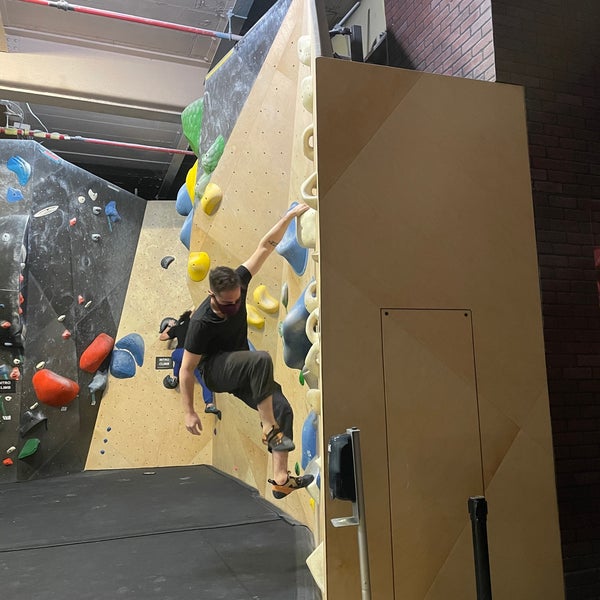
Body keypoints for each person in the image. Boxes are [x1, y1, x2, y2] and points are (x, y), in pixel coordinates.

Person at [180, 203, 314, 499]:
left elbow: (265, 246)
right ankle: (269, 427)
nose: (234, 307)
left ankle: (280, 479)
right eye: (227, 304)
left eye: (237, 300)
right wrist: (189, 411)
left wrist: (288, 217)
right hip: (216, 371)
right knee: (261, 359)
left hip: (241, 368)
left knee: (282, 407)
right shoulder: (201, 322)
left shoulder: (238, 282)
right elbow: (186, 370)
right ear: (211, 295)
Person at [160, 310, 221, 419]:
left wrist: (170, 326)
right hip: (193, 355)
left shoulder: (177, 328)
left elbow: (162, 337)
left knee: (180, 361)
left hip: (178, 354)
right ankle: (209, 404)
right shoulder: (196, 324)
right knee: (203, 381)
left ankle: (174, 377)